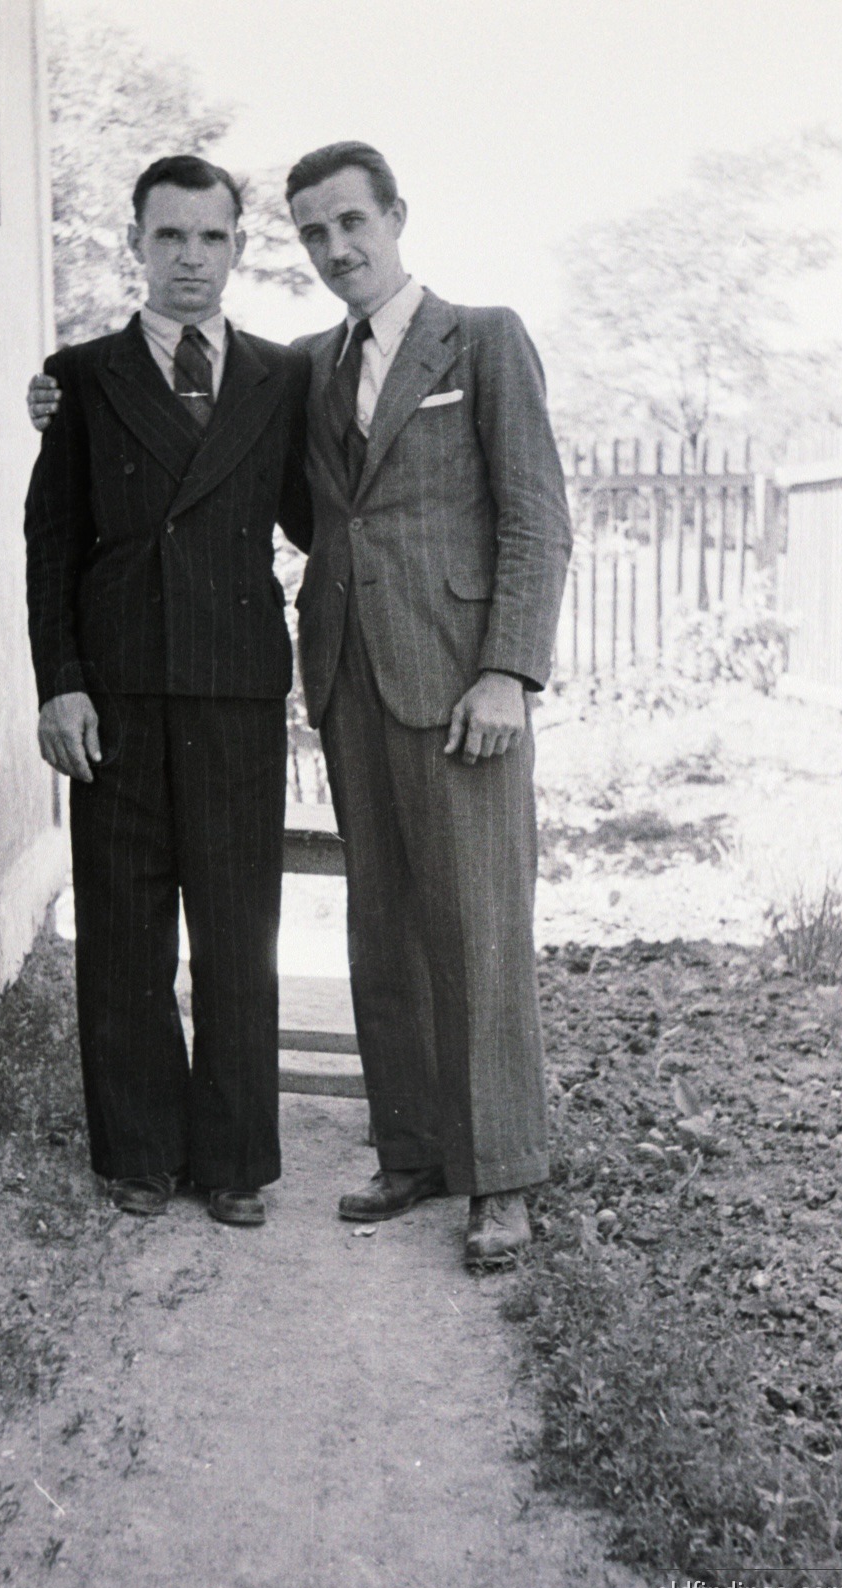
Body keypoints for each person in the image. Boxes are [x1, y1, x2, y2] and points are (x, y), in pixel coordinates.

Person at [284, 143, 572, 1265]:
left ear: (397, 216)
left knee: (481, 926)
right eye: (312, 232)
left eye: (352, 220)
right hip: (354, 671)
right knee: (382, 923)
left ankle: (502, 1175)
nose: (336, 247)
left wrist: (508, 668)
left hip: (465, 684)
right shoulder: (312, 363)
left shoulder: (484, 337)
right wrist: (60, 399)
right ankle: (410, 1150)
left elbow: (535, 517)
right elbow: (319, 514)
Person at [24, 154, 311, 1228]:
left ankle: (234, 1160)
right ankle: (139, 1151)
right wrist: (61, 686)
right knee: (125, 925)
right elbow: (50, 545)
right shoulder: (84, 377)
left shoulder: (285, 378)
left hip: (237, 691)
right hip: (119, 697)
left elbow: (318, 519)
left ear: (239, 246)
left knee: (240, 926)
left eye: (213, 237)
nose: (192, 259)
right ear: (135, 245)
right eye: (170, 237)